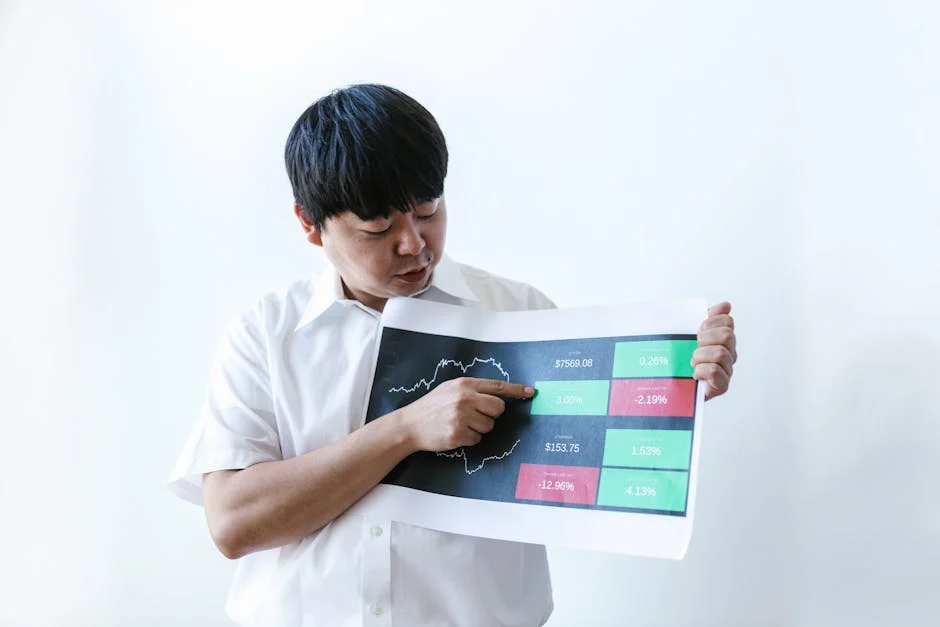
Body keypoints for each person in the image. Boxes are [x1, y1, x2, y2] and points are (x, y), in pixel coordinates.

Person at [168, 83, 738, 626]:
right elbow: (234, 523)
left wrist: (679, 383)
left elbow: (591, 452)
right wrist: (404, 430)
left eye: (427, 211)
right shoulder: (266, 334)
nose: (414, 244)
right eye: (378, 229)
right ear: (310, 225)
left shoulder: (519, 314)